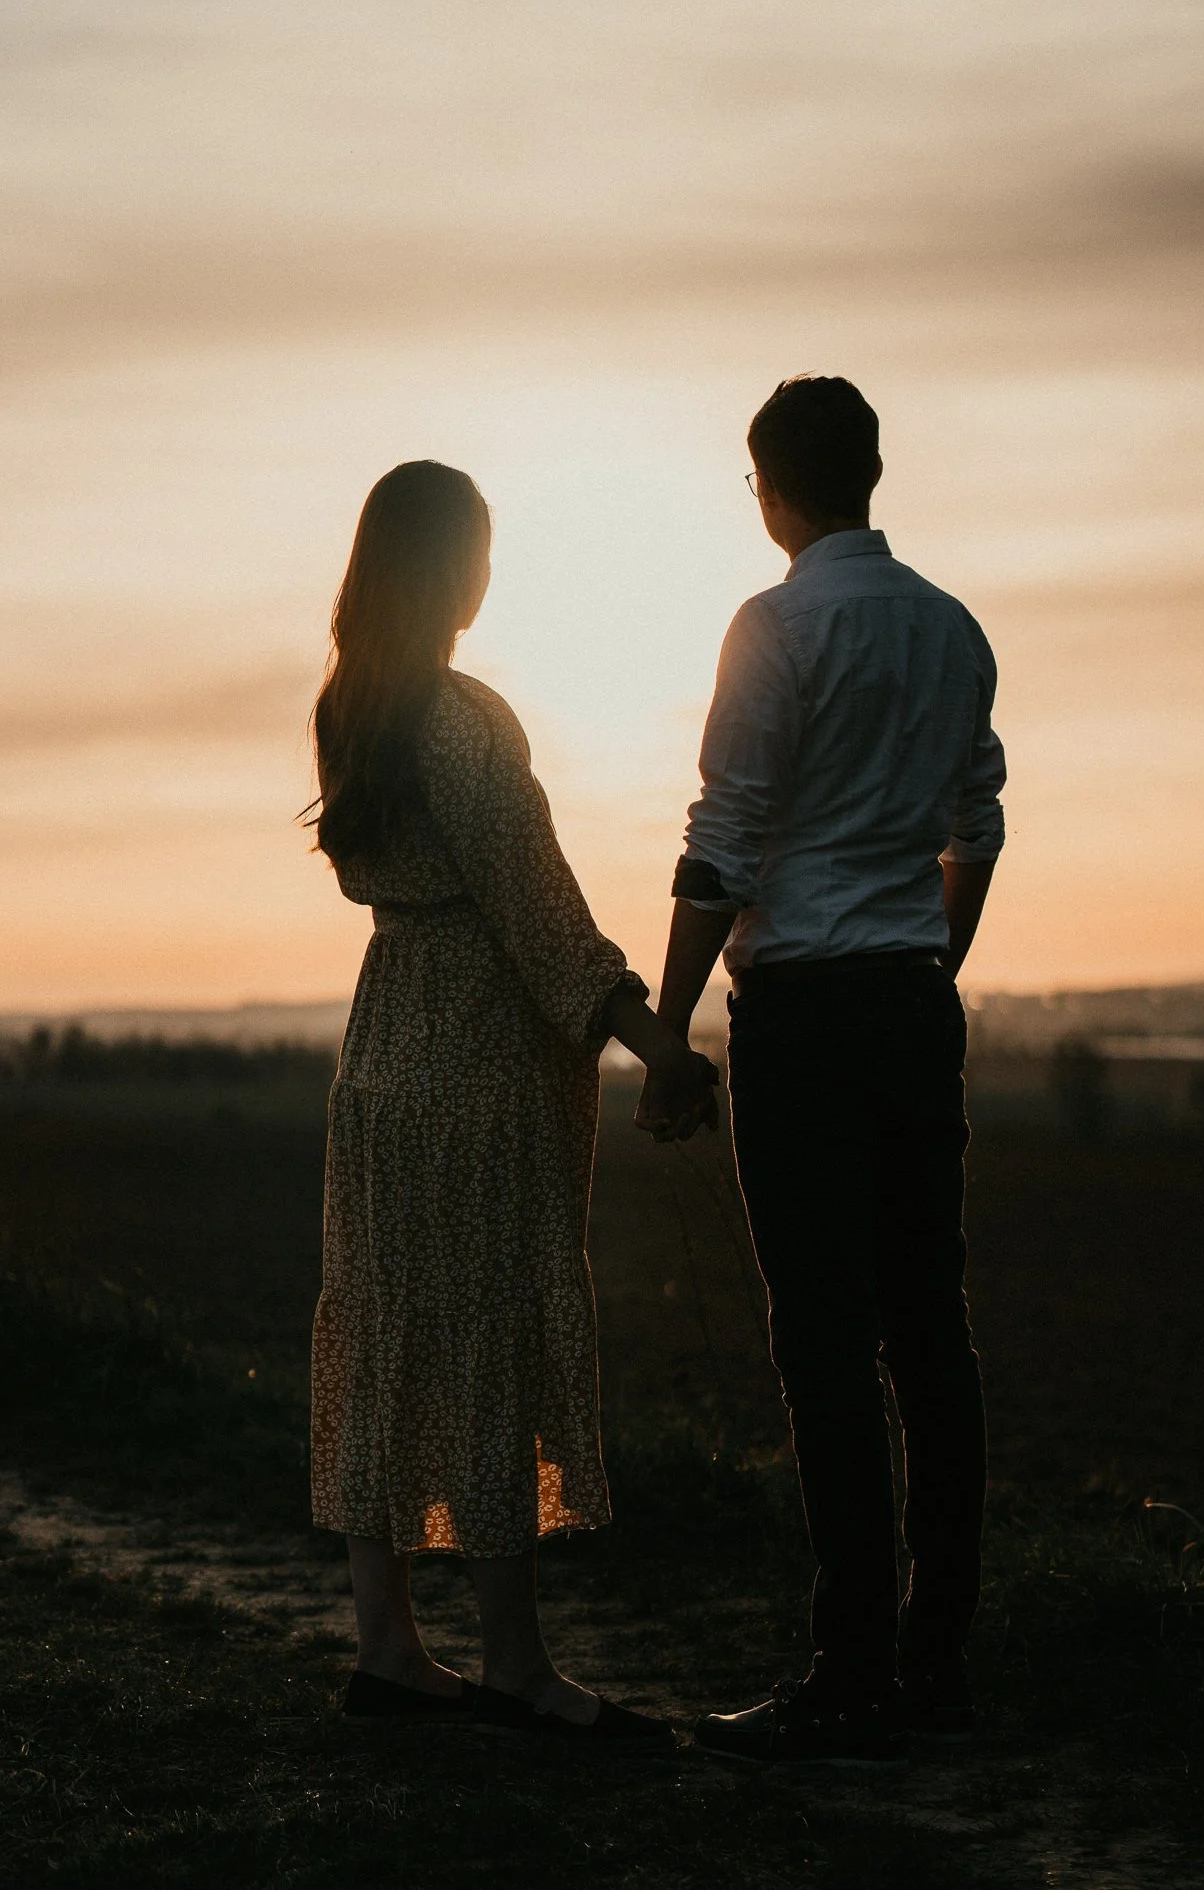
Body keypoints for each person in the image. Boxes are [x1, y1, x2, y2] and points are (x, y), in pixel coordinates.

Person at [307, 459, 715, 1754]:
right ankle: (520, 1671)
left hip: (381, 1053)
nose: (489, 577)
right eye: (477, 553)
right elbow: (543, 919)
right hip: (473, 1067)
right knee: (483, 1351)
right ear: (443, 568)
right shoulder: (458, 723)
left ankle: (386, 1648)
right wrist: (663, 1044)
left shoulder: (353, 708)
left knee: (388, 1340)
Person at [638, 376, 1006, 1767]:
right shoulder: (951, 627)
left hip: (800, 1017)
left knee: (824, 1344)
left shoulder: (775, 627)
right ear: (874, 471)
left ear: (766, 487)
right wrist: (933, 961)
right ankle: (939, 1667)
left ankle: (848, 1671)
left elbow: (721, 840)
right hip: (913, 1009)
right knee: (931, 1329)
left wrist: (671, 1033)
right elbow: (978, 826)